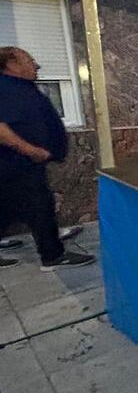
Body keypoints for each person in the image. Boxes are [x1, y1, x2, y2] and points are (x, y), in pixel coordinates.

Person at [0, 47, 94, 271]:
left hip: (19, 164)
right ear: (11, 65)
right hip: (17, 163)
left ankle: (49, 239)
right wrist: (31, 150)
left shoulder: (17, 87)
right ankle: (52, 256)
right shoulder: (5, 89)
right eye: (29, 60)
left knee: (9, 205)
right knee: (40, 205)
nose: (36, 65)